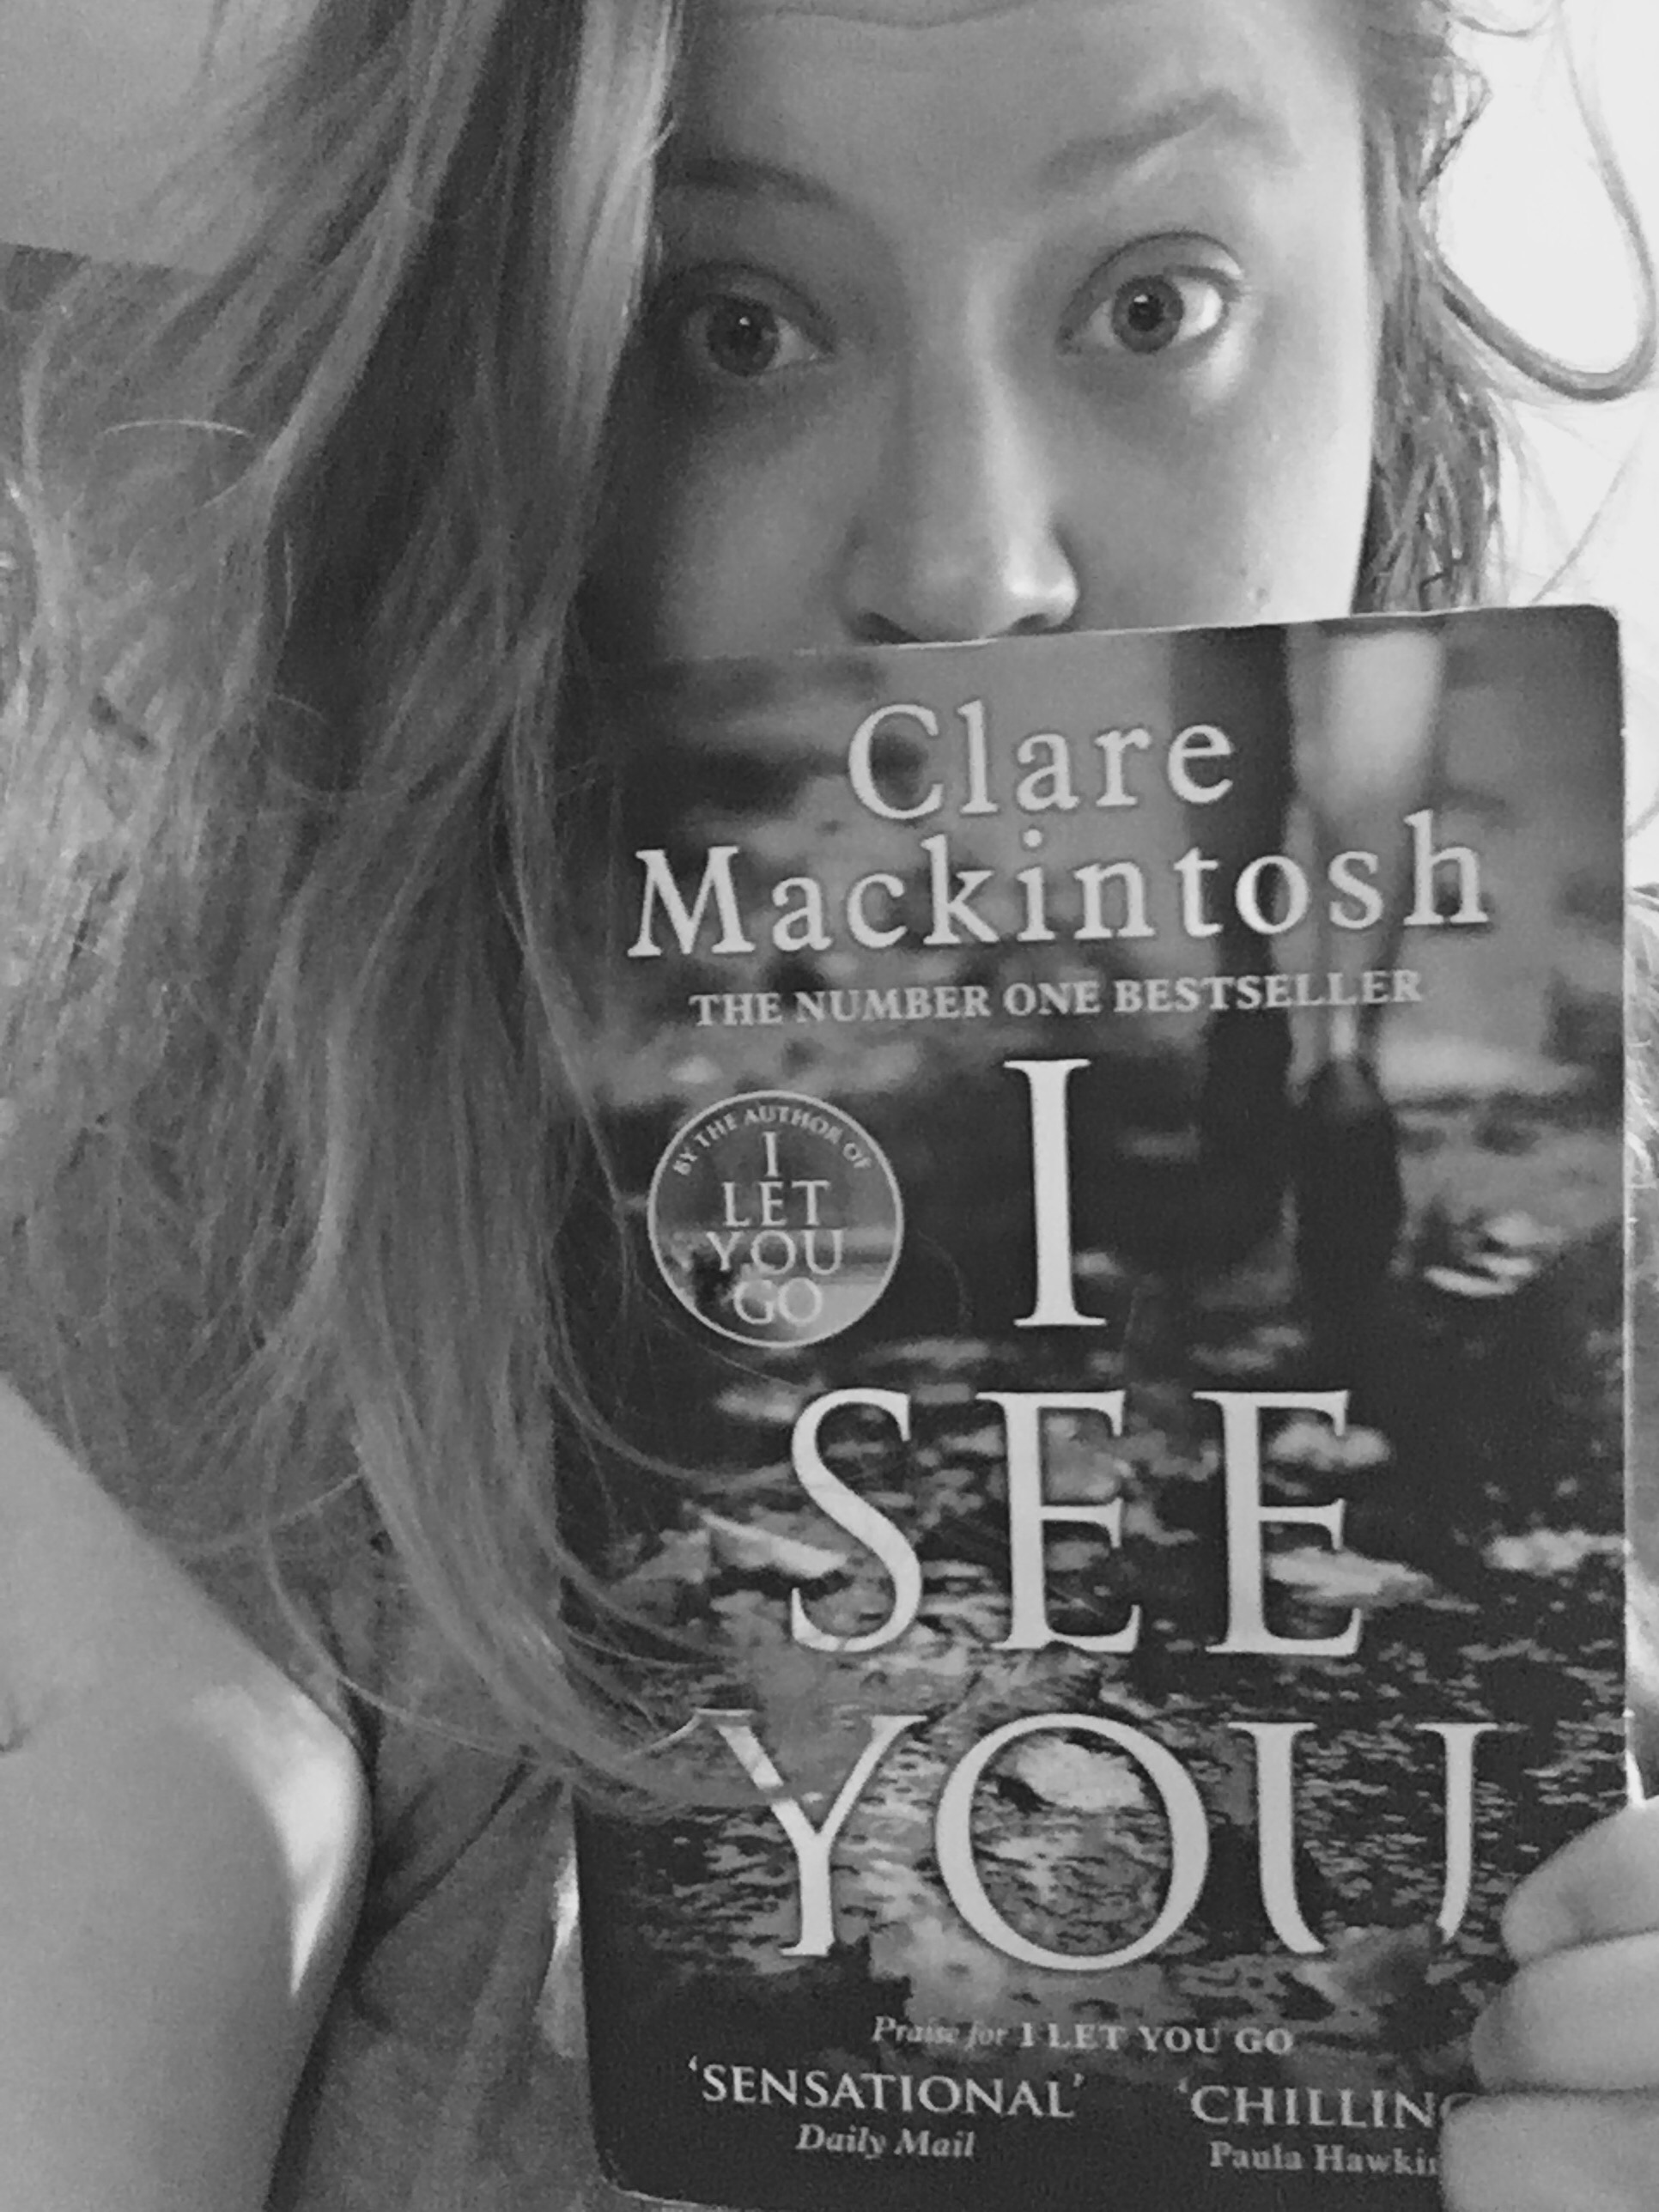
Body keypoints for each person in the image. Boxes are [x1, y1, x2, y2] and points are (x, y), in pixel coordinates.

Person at [0, 0, 1655, 2206]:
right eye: (738, 328)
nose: (967, 569)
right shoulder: (237, 1182)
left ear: (1384, 277)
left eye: (1151, 306)